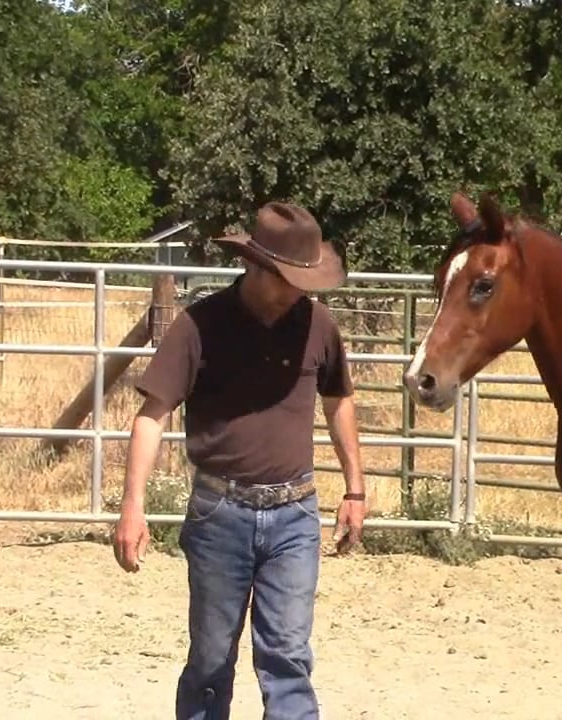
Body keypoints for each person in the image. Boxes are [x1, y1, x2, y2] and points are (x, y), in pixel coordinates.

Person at [112, 201, 367, 719]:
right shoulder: (199, 326)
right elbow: (152, 415)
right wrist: (132, 505)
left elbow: (339, 401)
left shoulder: (318, 326)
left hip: (295, 513)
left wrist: (355, 489)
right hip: (219, 514)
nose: (298, 288)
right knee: (210, 658)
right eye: (289, 277)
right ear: (255, 265)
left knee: (288, 657)